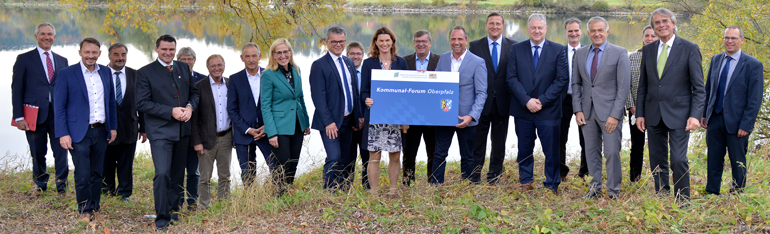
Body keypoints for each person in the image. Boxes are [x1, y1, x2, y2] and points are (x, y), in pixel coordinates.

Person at [636, 8, 705, 202]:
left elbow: (699, 88)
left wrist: (695, 115)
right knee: (657, 159)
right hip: (653, 113)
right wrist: (640, 113)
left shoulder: (690, 48)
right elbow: (643, 85)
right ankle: (662, 194)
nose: (661, 25)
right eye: (657, 23)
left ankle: (682, 198)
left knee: (678, 159)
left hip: (680, 115)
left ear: (673, 24)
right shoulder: (648, 50)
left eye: (665, 21)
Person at [136, 34, 200, 231]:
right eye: (164, 49)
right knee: (162, 174)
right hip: (160, 132)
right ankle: (161, 218)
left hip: (182, 131)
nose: (168, 53)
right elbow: (142, 103)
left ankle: (174, 210)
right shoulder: (145, 72)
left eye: (171, 49)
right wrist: (170, 111)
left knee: (177, 174)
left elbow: (194, 93)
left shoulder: (183, 67)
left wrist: (189, 108)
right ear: (156, 49)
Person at [53, 37, 118, 222]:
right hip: (78, 132)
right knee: (82, 174)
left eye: (94, 52)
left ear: (99, 53)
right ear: (80, 52)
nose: (90, 56)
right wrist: (63, 133)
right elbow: (59, 107)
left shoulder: (106, 72)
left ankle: (95, 206)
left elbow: (111, 102)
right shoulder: (67, 73)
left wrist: (112, 127)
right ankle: (84, 210)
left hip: (101, 130)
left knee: (98, 173)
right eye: (87, 52)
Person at [507, 14, 569, 195]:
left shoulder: (558, 50)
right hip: (523, 109)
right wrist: (527, 100)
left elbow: (561, 80)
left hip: (548, 110)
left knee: (552, 150)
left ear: (546, 29)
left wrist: (541, 101)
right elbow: (511, 78)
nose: (537, 31)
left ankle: (551, 183)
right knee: (524, 148)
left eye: (540, 27)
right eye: (533, 27)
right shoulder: (517, 49)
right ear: (528, 28)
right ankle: (526, 180)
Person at [572, 17, 631, 199]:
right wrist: (578, 110)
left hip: (610, 113)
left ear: (607, 31)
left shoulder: (620, 53)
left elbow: (624, 87)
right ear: (588, 33)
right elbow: (576, 84)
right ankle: (594, 188)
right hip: (587, 112)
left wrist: (615, 115)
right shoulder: (580, 53)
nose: (596, 34)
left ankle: (613, 191)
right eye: (593, 31)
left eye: (600, 30)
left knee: (612, 152)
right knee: (591, 151)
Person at [702, 26, 764, 195]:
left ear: (742, 40)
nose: (729, 41)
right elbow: (709, 89)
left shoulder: (753, 65)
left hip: (738, 123)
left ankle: (737, 194)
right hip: (714, 118)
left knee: (737, 161)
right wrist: (703, 114)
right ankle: (712, 192)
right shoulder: (716, 60)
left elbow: (755, 99)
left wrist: (746, 124)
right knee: (714, 159)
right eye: (727, 38)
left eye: (734, 38)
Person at [12, 23, 69, 195]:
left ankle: (62, 186)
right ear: (36, 36)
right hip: (34, 114)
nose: (46, 37)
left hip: (58, 114)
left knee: (61, 151)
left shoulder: (62, 60)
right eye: (43, 34)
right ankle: (41, 185)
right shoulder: (24, 59)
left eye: (50, 34)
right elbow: (17, 89)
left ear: (55, 37)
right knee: (38, 152)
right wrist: (18, 116)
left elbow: (67, 89)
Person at [431, 26, 488, 185]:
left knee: (468, 155)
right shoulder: (442, 58)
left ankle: (467, 186)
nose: (456, 42)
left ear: (466, 41)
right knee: (439, 154)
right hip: (444, 115)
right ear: (449, 41)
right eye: (453, 39)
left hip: (466, 118)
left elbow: (482, 93)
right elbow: (435, 85)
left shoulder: (478, 62)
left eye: (460, 39)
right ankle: (436, 185)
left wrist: (471, 115)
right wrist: (426, 78)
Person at [309, 26, 363, 192]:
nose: (338, 44)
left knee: (346, 158)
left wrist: (358, 116)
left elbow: (354, 92)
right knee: (334, 156)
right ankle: (328, 191)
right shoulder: (319, 65)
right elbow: (318, 97)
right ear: (327, 42)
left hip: (348, 120)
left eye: (341, 41)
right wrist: (328, 122)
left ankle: (342, 190)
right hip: (330, 123)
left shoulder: (347, 62)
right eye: (334, 41)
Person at [360, 26, 409, 196]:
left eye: (387, 40)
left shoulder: (401, 62)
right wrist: (366, 99)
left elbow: (406, 90)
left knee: (395, 156)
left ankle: (393, 190)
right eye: (381, 40)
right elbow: (363, 90)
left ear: (392, 42)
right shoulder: (368, 63)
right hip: (375, 116)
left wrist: (405, 119)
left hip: (395, 117)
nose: (384, 43)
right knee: (374, 157)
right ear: (375, 42)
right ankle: (374, 192)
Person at [468, 12, 515, 185]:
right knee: (477, 142)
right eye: (491, 23)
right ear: (486, 25)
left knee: (499, 143)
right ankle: (474, 176)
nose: (494, 26)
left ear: (503, 25)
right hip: (481, 103)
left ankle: (494, 177)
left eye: (498, 23)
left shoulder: (513, 46)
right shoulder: (474, 46)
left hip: (503, 102)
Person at [261, 38, 311, 196]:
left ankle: (287, 192)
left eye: (285, 51)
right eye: (279, 52)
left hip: (297, 123)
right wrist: (271, 132)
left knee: (293, 162)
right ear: (273, 55)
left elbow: (300, 97)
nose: (283, 55)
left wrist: (306, 121)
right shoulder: (268, 75)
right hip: (279, 126)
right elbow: (265, 105)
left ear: (290, 52)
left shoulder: (296, 70)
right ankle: (277, 194)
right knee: (282, 163)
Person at [102, 43, 146, 202]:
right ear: (109, 56)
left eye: (123, 54)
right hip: (106, 128)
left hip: (130, 127)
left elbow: (142, 103)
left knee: (126, 163)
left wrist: (144, 127)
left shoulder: (136, 75)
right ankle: (107, 191)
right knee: (106, 162)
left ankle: (124, 193)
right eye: (116, 54)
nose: (120, 58)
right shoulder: (101, 74)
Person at [227, 43, 274, 186]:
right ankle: (250, 203)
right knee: (247, 175)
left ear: (260, 56)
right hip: (244, 134)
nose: (251, 59)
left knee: (276, 168)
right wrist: (248, 130)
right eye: (247, 56)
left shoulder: (270, 75)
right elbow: (232, 109)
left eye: (254, 56)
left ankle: (277, 198)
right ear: (242, 58)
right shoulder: (234, 79)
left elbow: (276, 104)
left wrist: (267, 126)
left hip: (268, 131)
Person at [190, 55, 232, 209]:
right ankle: (204, 206)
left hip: (226, 137)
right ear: (208, 68)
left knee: (225, 176)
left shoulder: (230, 84)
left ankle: (223, 206)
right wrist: (197, 141)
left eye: (219, 65)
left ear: (224, 65)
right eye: (213, 66)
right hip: (205, 140)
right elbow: (193, 118)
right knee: (205, 177)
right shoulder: (199, 86)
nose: (216, 68)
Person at [401, 30, 440, 186]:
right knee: (409, 154)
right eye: (417, 41)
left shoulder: (441, 61)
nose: (421, 44)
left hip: (433, 116)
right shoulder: (404, 61)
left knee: (434, 153)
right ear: (413, 43)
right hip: (411, 117)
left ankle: (433, 184)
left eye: (424, 41)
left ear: (430, 43)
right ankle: (407, 184)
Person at [626, 25, 657, 182]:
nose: (650, 39)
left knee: (656, 147)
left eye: (653, 36)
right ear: (643, 37)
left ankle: (658, 178)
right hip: (636, 110)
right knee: (637, 146)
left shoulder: (662, 57)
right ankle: (634, 178)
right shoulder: (633, 58)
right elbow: (627, 85)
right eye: (647, 36)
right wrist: (632, 106)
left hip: (656, 110)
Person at [176, 46, 205, 210]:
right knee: (178, 170)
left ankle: (193, 201)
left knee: (193, 171)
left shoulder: (202, 79)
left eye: (190, 59)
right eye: (183, 59)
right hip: (177, 132)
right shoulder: (172, 78)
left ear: (194, 61)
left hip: (196, 133)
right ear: (177, 61)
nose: (187, 62)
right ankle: (178, 200)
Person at [559, 18, 588, 181]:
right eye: (570, 31)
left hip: (584, 101)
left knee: (586, 139)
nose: (573, 34)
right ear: (565, 33)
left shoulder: (589, 51)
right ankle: (561, 171)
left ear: (581, 32)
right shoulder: (558, 52)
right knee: (560, 137)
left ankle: (584, 172)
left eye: (576, 30)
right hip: (563, 100)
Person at [345, 41, 370, 189]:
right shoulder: (344, 73)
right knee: (348, 157)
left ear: (363, 55)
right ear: (347, 55)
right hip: (348, 122)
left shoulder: (368, 72)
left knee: (367, 156)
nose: (356, 56)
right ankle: (347, 187)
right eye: (352, 54)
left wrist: (363, 117)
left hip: (366, 121)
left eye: (358, 54)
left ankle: (367, 187)